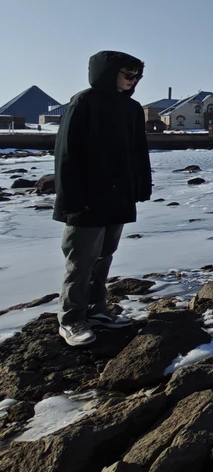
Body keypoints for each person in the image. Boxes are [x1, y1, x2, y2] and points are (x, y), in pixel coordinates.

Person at [53, 50, 152, 346]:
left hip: (118, 197)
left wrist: (141, 187)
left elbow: (138, 152)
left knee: (104, 257)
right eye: (128, 74)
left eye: (137, 76)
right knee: (80, 261)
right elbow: (66, 153)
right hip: (86, 198)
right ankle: (70, 320)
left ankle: (96, 310)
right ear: (109, 73)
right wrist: (71, 199)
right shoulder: (84, 101)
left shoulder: (132, 108)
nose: (133, 81)